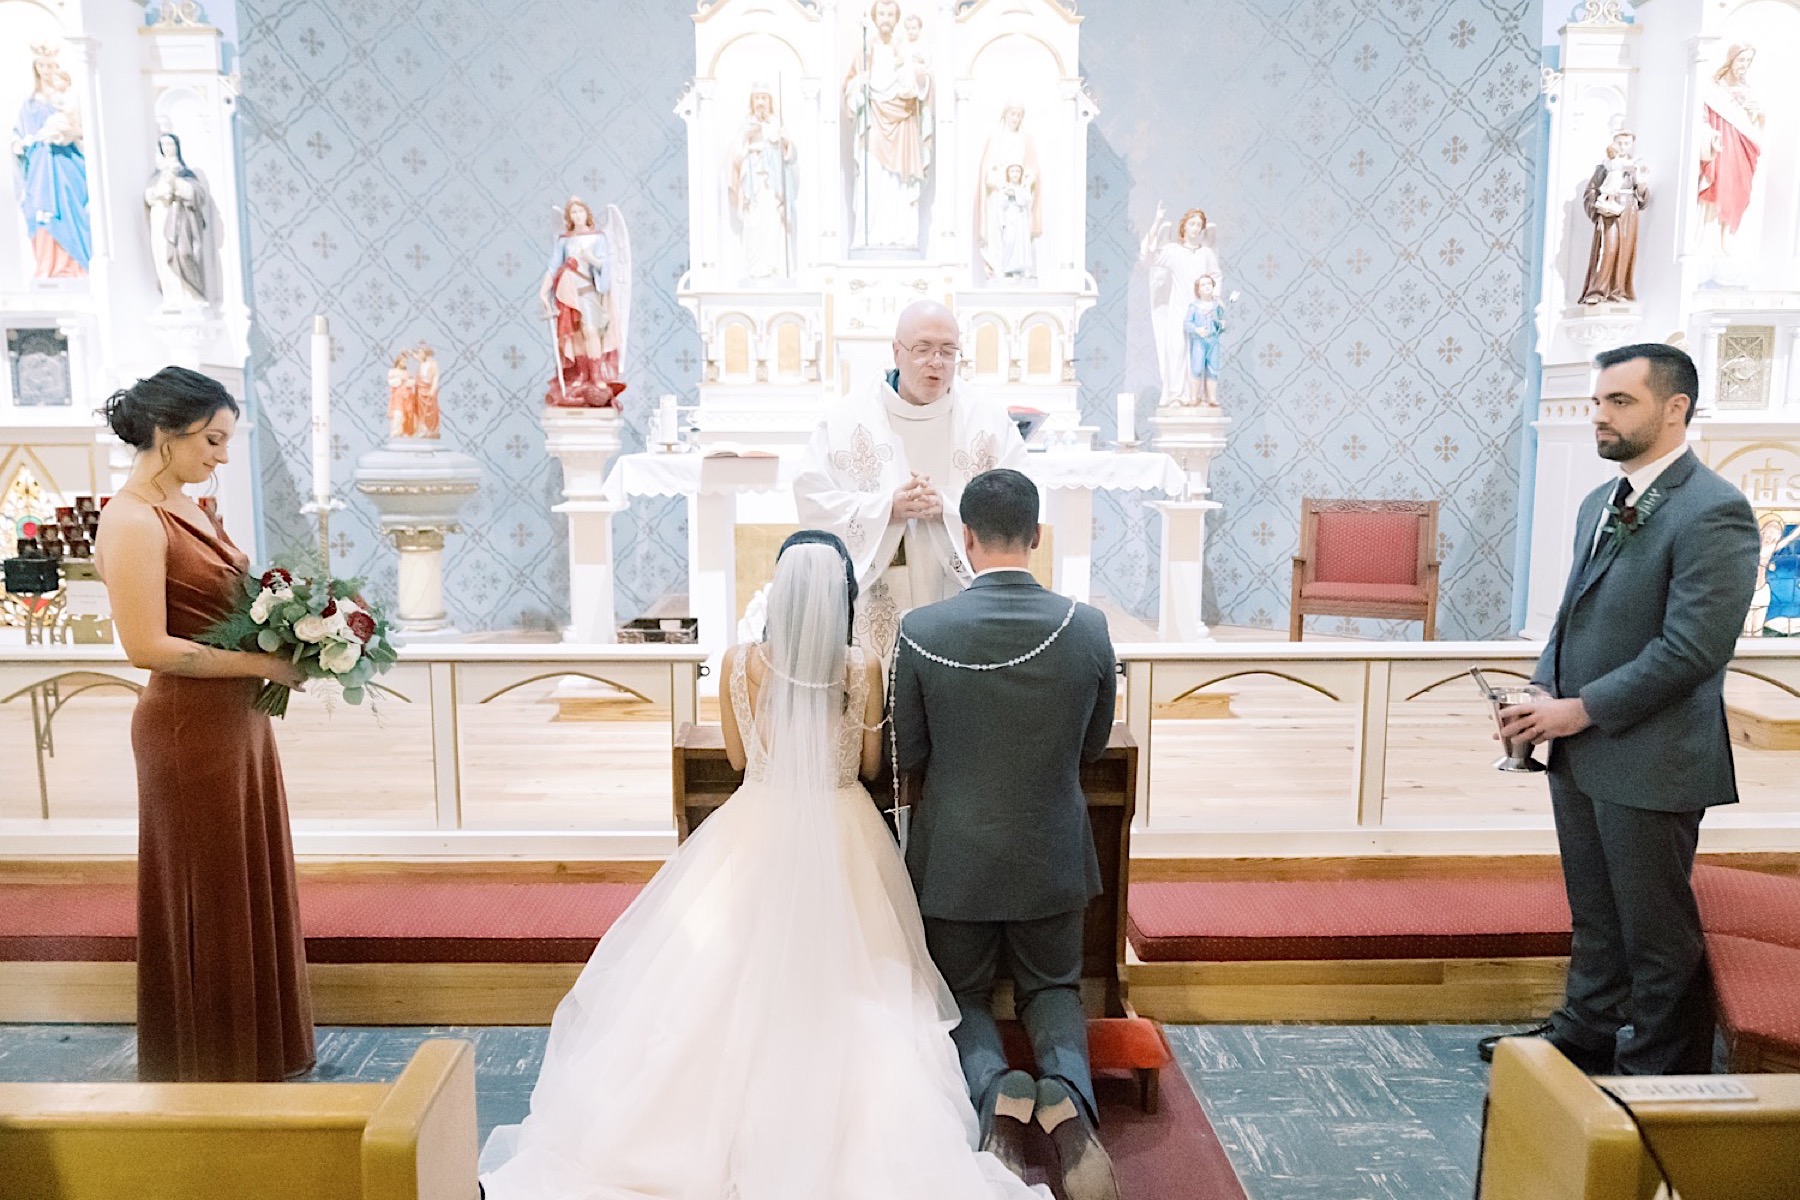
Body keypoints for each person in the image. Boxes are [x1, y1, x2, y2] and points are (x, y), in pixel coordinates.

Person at [479, 532, 1045, 1200]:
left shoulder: (738, 663)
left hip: (756, 823)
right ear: (840, 597)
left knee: (716, 981)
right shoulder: (862, 667)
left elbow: (742, 760)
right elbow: (868, 768)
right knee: (862, 989)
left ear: (779, 593)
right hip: (845, 832)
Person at [1480, 343, 1758, 1075]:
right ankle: (1586, 1031)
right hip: (1581, 745)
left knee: (1656, 930)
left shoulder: (1714, 511)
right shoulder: (1600, 502)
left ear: (1676, 409)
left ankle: (1662, 1074)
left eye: (1620, 402)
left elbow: (1693, 649)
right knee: (1596, 913)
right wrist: (1542, 691)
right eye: (1598, 401)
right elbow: (1573, 614)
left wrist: (1581, 709)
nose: (1599, 415)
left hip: (1654, 753)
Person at [893, 468, 1121, 1200]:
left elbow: (911, 752)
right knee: (1052, 987)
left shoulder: (921, 630)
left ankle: (995, 1093)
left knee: (959, 993)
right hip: (1051, 848)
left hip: (955, 857)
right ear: (1037, 536)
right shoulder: (1085, 627)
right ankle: (1072, 1105)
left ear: (965, 538)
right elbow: (1091, 747)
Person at [93, 367, 314, 1082]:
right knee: (206, 889)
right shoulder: (130, 519)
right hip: (188, 729)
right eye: (213, 439)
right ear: (167, 430)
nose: (222, 456)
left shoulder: (192, 506)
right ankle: (210, 1057)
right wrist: (265, 665)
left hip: (237, 725)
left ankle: (257, 1045)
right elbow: (146, 648)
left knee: (243, 878)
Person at [793, 300, 1027, 658]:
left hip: (958, 591)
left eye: (949, 351)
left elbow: (1018, 502)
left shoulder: (989, 422)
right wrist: (887, 508)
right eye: (924, 350)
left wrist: (947, 507)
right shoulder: (845, 419)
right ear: (897, 352)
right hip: (880, 592)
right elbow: (812, 500)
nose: (937, 362)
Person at [844, 0, 932, 248]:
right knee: (873, 177)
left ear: (896, 19)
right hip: (874, 122)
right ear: (874, 17)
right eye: (881, 13)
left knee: (900, 182)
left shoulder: (904, 50)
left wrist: (919, 78)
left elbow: (920, 88)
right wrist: (857, 86)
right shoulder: (865, 50)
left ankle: (902, 236)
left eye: (890, 14)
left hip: (902, 120)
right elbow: (850, 87)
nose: (885, 18)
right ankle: (868, 234)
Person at [540, 197, 630, 408]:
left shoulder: (598, 238)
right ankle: (581, 374)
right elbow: (553, 267)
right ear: (569, 217)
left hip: (588, 290)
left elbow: (605, 267)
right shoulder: (565, 240)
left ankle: (596, 376)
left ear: (586, 214)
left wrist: (590, 258)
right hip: (567, 292)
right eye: (573, 213)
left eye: (580, 211)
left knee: (591, 331)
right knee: (576, 335)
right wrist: (543, 292)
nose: (577, 216)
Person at [10, 43, 90, 279]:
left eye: (49, 65)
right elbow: (20, 131)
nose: (45, 70)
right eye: (41, 66)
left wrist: (67, 133)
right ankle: (46, 266)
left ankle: (72, 264)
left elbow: (80, 127)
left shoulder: (65, 98)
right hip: (39, 162)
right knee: (39, 209)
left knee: (68, 206)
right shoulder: (30, 103)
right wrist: (18, 143)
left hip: (64, 160)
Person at [1140, 203, 1221, 406]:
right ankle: (1176, 395)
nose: (1195, 228)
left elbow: (1216, 277)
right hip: (1178, 308)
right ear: (1184, 227)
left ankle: (1197, 396)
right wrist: (1157, 221)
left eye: (1199, 225)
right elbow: (1149, 257)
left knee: (1200, 351)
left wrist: (1214, 304)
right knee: (1176, 349)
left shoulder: (1206, 254)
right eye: (1192, 224)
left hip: (1201, 309)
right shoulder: (1174, 251)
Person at [1696, 43, 1763, 255]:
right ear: (1731, 60)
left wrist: (1757, 115)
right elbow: (1703, 117)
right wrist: (1710, 139)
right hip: (1722, 146)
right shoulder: (1713, 89)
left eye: (1748, 61)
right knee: (1721, 186)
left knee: (1738, 188)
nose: (1744, 65)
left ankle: (1727, 239)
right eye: (1741, 60)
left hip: (1742, 147)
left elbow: (1756, 124)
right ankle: (1709, 239)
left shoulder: (1748, 90)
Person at [731, 85, 796, 280]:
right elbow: (736, 153)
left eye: (764, 98)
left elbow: (789, 153)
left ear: (770, 102)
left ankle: (774, 266)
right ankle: (755, 268)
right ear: (752, 102)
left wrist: (784, 142)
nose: (760, 102)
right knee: (753, 224)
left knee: (773, 223)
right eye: (757, 98)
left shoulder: (776, 123)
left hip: (771, 184)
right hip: (753, 183)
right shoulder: (746, 124)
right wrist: (747, 138)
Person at [1578, 131, 1648, 306]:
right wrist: (1598, 208)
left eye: (1626, 143)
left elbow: (1643, 199)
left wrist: (1641, 183)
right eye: (1620, 143)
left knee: (1624, 252)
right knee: (1607, 249)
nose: (1623, 147)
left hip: (1628, 212)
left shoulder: (1634, 167)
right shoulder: (1604, 167)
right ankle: (1597, 291)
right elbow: (1591, 190)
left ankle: (1619, 291)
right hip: (1609, 212)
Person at [144, 132, 209, 307]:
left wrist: (177, 184)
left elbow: (197, 194)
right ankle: (172, 295)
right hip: (160, 218)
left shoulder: (184, 172)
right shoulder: (157, 175)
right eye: (164, 145)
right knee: (162, 257)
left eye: (170, 145)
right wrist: (155, 193)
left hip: (180, 219)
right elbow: (149, 197)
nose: (167, 149)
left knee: (184, 253)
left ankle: (190, 292)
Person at [1183, 273, 1224, 407]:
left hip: (1213, 341)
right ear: (1198, 290)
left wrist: (1222, 324)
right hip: (1199, 342)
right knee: (1197, 367)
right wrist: (1197, 330)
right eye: (1203, 284)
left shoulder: (1217, 306)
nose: (1206, 287)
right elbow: (1187, 324)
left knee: (1213, 368)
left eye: (1209, 284)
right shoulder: (1194, 307)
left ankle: (1212, 397)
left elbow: (1220, 323)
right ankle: (1194, 397)